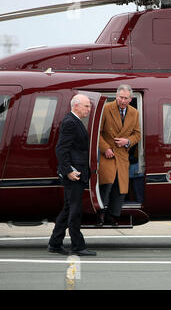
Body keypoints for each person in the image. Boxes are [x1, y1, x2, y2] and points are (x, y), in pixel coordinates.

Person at [48, 94, 96, 256]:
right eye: (86, 106)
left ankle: (55, 243)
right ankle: (78, 246)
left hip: (76, 173)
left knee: (68, 209)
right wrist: (68, 170)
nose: (89, 109)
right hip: (73, 175)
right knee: (75, 210)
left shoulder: (75, 121)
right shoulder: (70, 122)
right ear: (76, 106)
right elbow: (61, 149)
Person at [97, 84, 141, 226]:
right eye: (120, 97)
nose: (122, 101)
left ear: (130, 99)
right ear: (116, 96)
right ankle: (100, 216)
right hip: (107, 155)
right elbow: (97, 132)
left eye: (126, 98)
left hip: (122, 156)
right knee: (106, 185)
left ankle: (112, 216)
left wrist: (127, 141)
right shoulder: (106, 109)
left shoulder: (134, 113)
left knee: (120, 189)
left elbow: (137, 134)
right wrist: (105, 149)